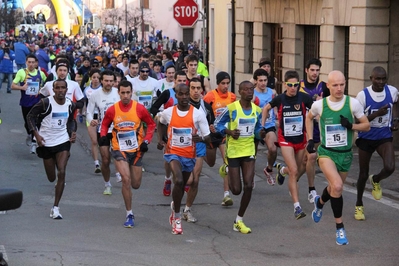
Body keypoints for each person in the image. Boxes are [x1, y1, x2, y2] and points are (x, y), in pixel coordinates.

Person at [306, 70, 370, 245]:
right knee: (338, 185)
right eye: (335, 85)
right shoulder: (320, 105)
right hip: (327, 153)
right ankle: (340, 228)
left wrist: (351, 125)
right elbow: (309, 117)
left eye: (342, 84)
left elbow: (367, 126)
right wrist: (310, 139)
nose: (339, 88)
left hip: (345, 154)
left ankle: (319, 203)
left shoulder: (353, 104)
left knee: (334, 189)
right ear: (328, 86)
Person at [100, 80, 156, 227]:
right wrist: (103, 137)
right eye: (122, 93)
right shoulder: (113, 109)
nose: (125, 96)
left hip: (136, 150)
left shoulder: (139, 109)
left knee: (136, 184)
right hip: (119, 149)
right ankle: (129, 214)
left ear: (132, 93)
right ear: (118, 93)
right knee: (126, 179)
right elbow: (104, 124)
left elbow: (151, 124)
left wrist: (147, 141)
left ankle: (129, 202)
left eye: (128, 93)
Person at [157, 83, 211, 235]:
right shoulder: (169, 112)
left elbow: (207, 137)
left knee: (183, 185)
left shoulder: (197, 114)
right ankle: (177, 217)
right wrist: (160, 139)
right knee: (179, 181)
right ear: (176, 96)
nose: (185, 97)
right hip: (173, 152)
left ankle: (175, 206)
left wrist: (199, 138)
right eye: (181, 94)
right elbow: (159, 121)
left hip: (189, 155)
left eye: (187, 94)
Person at [215, 80, 266, 234]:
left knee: (249, 185)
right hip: (233, 151)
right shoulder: (231, 109)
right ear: (240, 91)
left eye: (252, 89)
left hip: (249, 150)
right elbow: (217, 125)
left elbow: (257, 129)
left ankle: (239, 220)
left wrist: (261, 133)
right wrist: (230, 132)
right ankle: (226, 169)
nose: (250, 92)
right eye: (246, 89)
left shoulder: (257, 110)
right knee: (236, 190)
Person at [262, 70, 313, 220]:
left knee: (295, 171)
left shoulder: (304, 98)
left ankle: (282, 170)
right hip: (286, 140)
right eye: (290, 85)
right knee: (294, 170)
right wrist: (263, 126)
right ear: (285, 84)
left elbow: (316, 110)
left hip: (301, 139)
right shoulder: (280, 99)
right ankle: (297, 207)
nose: (293, 88)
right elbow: (266, 108)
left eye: (296, 85)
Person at [26, 79, 77, 219]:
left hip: (62, 141)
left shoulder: (69, 104)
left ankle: (55, 208)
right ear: (53, 90)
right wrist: (36, 134)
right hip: (46, 143)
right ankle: (57, 178)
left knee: (61, 171)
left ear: (67, 90)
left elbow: (72, 120)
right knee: (51, 177)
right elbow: (30, 116)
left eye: (63, 88)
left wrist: (72, 132)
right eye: (57, 88)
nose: (60, 90)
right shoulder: (45, 103)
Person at [354, 66, 398, 220]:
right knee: (363, 173)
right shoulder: (363, 95)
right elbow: (356, 120)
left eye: (383, 79)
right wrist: (377, 114)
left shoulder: (392, 91)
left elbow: (397, 103)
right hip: (366, 137)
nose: (380, 82)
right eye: (377, 79)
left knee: (390, 167)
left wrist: (395, 119)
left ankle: (376, 179)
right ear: (370, 78)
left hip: (383, 136)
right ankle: (359, 205)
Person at [150, 70, 188, 197]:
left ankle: (184, 179)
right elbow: (154, 107)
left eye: (184, 81)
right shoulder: (168, 93)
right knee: (169, 157)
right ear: (174, 81)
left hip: (184, 130)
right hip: (168, 129)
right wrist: (159, 116)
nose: (182, 83)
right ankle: (167, 178)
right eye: (180, 81)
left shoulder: (188, 95)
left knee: (185, 155)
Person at [182, 78, 214, 223]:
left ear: (202, 89)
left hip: (199, 145)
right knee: (187, 179)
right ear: (189, 90)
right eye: (193, 88)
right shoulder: (182, 106)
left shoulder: (206, 107)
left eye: (198, 88)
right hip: (182, 146)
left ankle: (187, 210)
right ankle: (177, 196)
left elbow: (211, 125)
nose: (195, 91)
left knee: (195, 180)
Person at [299, 58, 330, 204]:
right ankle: (312, 190)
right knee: (310, 158)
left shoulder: (324, 86)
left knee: (306, 161)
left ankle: (288, 174)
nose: (315, 73)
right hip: (302, 129)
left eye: (317, 70)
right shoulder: (298, 86)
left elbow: (333, 104)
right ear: (306, 70)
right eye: (312, 70)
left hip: (318, 129)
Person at [203, 71, 236, 206]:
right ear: (217, 83)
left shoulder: (232, 97)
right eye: (223, 83)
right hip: (211, 135)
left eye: (227, 83)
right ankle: (199, 154)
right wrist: (207, 125)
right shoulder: (210, 96)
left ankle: (226, 195)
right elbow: (202, 113)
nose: (225, 86)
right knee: (210, 163)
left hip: (223, 134)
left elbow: (235, 114)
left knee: (226, 161)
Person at [86, 70, 121, 194]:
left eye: (111, 81)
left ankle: (119, 174)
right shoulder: (95, 95)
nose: (109, 83)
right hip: (104, 130)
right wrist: (92, 120)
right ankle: (107, 184)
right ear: (101, 81)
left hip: (118, 130)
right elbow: (89, 112)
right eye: (106, 80)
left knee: (119, 155)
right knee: (105, 160)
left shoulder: (119, 93)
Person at [11, 54, 47, 154]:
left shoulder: (41, 73)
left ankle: (34, 142)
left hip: (37, 103)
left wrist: (42, 90)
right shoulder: (21, 72)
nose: (31, 64)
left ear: (36, 63)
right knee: (28, 123)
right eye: (29, 62)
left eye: (33, 62)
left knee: (36, 122)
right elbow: (13, 85)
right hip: (25, 103)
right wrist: (21, 88)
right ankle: (29, 134)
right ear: (26, 62)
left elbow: (46, 85)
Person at [252, 68, 278, 185]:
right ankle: (250, 178)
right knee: (252, 155)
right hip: (255, 127)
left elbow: (276, 104)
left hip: (269, 125)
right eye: (260, 80)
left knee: (273, 149)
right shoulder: (252, 93)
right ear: (256, 81)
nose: (263, 83)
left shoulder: (272, 92)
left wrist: (277, 113)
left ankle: (269, 169)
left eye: (265, 80)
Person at [83, 69, 103, 173]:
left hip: (101, 117)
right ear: (90, 78)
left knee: (102, 141)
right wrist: (82, 112)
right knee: (94, 141)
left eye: (98, 78)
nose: (96, 80)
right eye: (94, 77)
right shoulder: (86, 90)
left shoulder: (103, 89)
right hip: (90, 116)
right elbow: (84, 102)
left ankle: (104, 158)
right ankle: (96, 164)